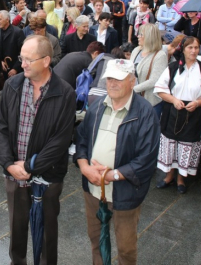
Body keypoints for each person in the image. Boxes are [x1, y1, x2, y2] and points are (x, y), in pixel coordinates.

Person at [0, 35, 76, 265]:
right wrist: (9, 164)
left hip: (47, 176)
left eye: (29, 59)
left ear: (46, 60)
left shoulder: (65, 92)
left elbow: (60, 141)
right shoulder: (13, 84)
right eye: (22, 58)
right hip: (14, 173)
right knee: (16, 227)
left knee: (47, 230)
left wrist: (30, 166)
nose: (23, 64)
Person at [76, 59, 160, 265]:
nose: (112, 83)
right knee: (96, 240)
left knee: (126, 248)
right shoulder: (97, 106)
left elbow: (146, 160)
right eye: (109, 78)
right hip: (93, 190)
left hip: (125, 194)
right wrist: (85, 168)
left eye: (119, 79)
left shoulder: (145, 113)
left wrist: (110, 175)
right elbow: (81, 141)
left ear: (132, 82)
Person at [154, 37, 201, 193]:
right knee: (170, 143)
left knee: (187, 145)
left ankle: (181, 179)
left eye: (196, 47)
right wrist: (173, 99)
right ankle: (169, 175)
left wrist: (198, 103)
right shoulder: (172, 68)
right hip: (173, 112)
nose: (193, 51)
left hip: (194, 113)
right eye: (190, 47)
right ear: (183, 49)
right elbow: (159, 89)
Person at [129, 24, 168, 118]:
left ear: (149, 37)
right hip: (133, 99)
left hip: (150, 102)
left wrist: (132, 89)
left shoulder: (160, 55)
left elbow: (154, 80)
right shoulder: (136, 50)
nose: (138, 36)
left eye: (141, 34)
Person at [0, 10, 25, 80]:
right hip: (2, 71)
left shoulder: (18, 32)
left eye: (0, 19)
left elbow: (23, 52)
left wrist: (15, 68)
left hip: (15, 70)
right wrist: (0, 61)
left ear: (7, 19)